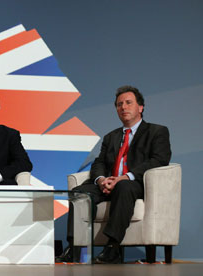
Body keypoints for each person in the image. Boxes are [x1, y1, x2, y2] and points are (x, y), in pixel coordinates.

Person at [56, 85, 171, 264]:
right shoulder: (111, 137)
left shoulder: (157, 131)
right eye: (119, 104)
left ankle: (113, 247)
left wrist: (126, 177)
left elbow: (159, 160)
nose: (123, 107)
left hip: (136, 184)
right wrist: (101, 180)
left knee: (124, 186)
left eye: (128, 103)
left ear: (141, 107)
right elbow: (99, 162)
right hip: (108, 184)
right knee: (80, 192)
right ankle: (75, 247)